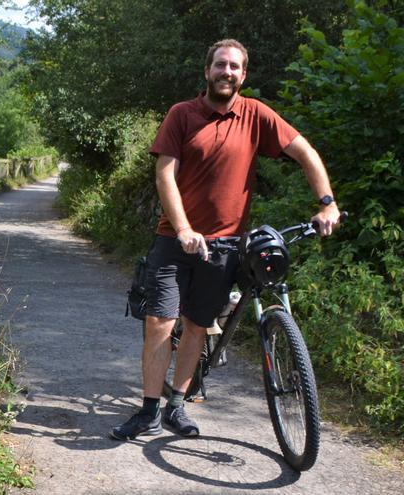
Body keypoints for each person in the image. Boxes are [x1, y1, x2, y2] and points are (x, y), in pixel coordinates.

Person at [109, 39, 341, 441]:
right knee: (160, 321)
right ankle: (148, 411)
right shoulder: (182, 115)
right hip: (174, 240)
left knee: (198, 326)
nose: (227, 72)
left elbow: (305, 152)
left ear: (243, 75)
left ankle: (176, 406)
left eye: (235, 67)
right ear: (207, 71)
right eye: (220, 65)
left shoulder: (255, 115)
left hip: (225, 246)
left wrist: (327, 203)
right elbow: (165, 175)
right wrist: (182, 229)